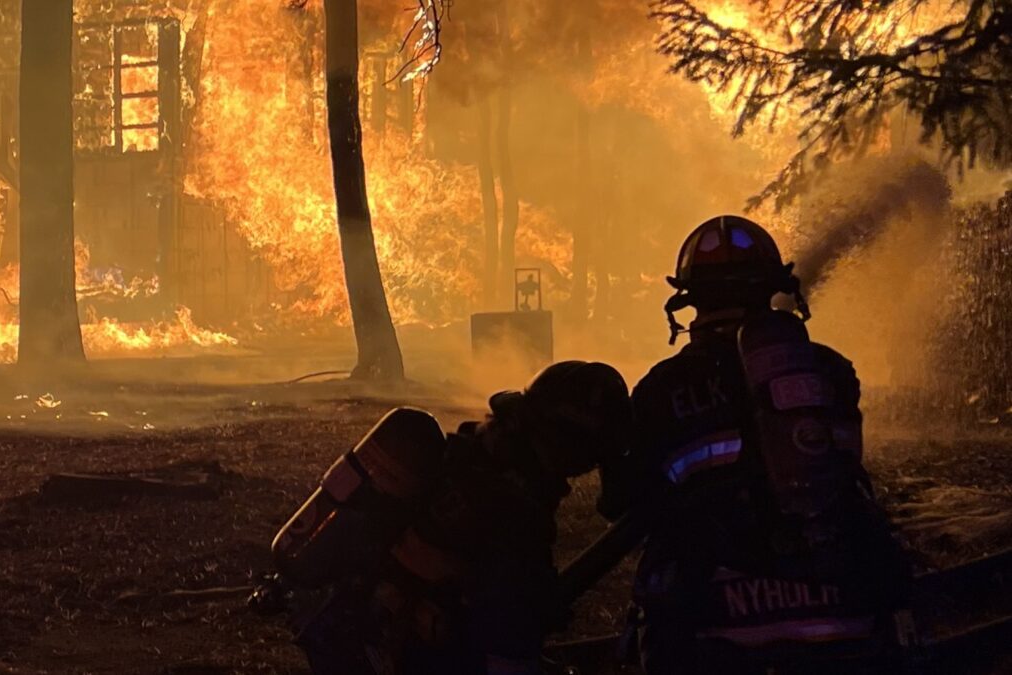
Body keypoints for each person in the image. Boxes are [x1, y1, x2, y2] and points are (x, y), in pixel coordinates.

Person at [620, 215, 911, 674]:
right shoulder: (831, 373)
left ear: (688, 299)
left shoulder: (662, 389)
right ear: (775, 288)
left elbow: (624, 499)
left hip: (715, 631)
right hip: (847, 615)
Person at [251, 360, 633, 675]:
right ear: (569, 447)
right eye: (590, 457)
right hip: (393, 647)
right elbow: (509, 627)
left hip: (353, 625)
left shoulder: (466, 455)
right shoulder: (512, 511)